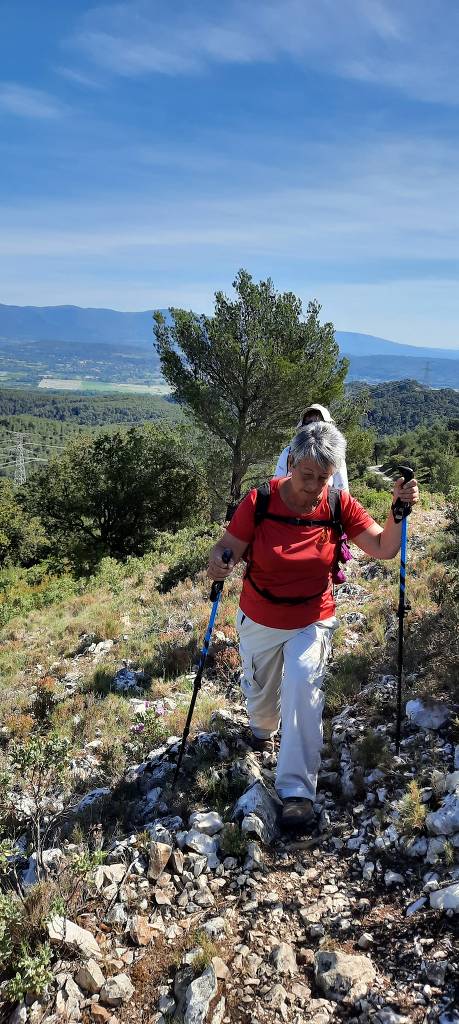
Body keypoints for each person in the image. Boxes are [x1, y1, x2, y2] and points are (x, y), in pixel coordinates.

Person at [207, 421, 419, 830]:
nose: (313, 487)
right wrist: (219, 561)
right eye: (306, 476)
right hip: (260, 617)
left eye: (323, 478)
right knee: (261, 699)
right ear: (290, 463)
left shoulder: (338, 503)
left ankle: (296, 791)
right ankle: (262, 727)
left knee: (303, 685)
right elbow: (227, 547)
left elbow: (384, 547)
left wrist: (397, 510)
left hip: (312, 616)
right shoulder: (261, 500)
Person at [274, 403, 349, 490]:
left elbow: (342, 488)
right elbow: (277, 483)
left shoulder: (335, 454)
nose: (313, 426)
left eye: (318, 422)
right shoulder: (288, 452)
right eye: (309, 422)